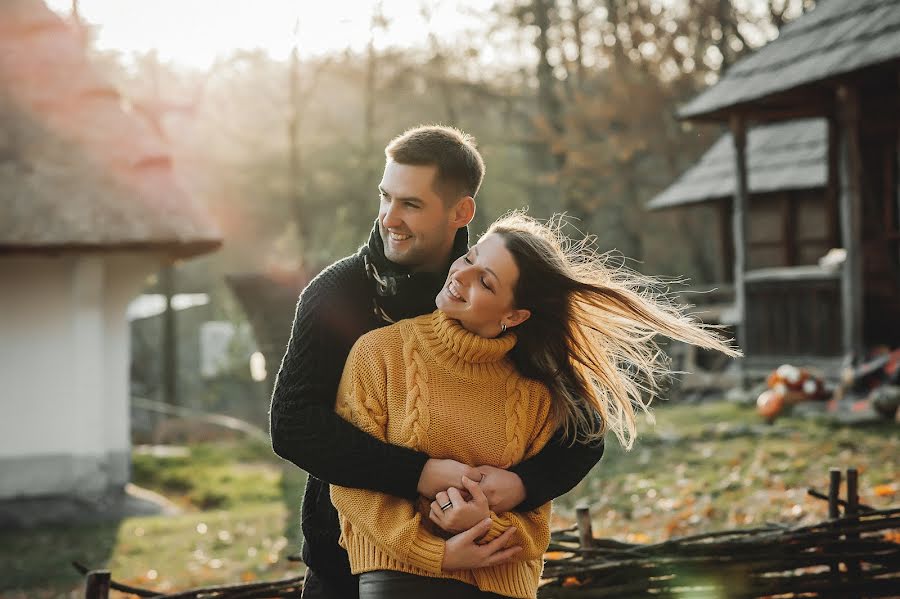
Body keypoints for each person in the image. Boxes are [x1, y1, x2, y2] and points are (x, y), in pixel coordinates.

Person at [269, 125, 606, 599]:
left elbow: (582, 431)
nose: (389, 217)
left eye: (411, 204)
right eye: (386, 197)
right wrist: (419, 474)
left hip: (481, 570)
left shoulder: (498, 291)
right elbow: (294, 426)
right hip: (346, 565)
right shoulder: (337, 294)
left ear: (460, 211)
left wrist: (522, 485)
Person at [329, 213, 740, 598]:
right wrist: (434, 552)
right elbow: (349, 476)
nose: (461, 275)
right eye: (469, 258)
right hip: (402, 578)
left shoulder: (541, 390)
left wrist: (485, 523)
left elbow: (536, 522)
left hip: (503, 583)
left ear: (516, 314)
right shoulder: (379, 354)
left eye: (486, 282)